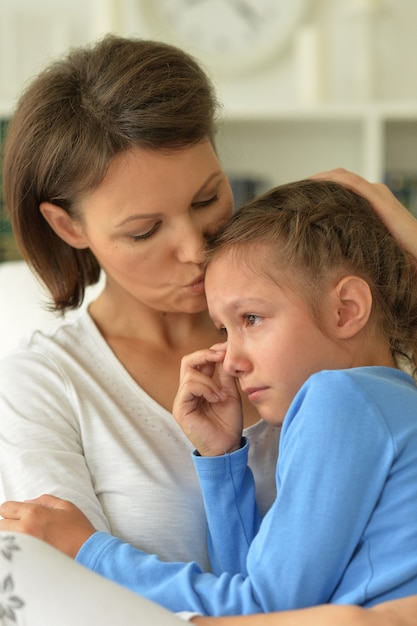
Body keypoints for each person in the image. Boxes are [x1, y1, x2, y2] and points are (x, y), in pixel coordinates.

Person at [0, 28, 416, 624]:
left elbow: (264, 602)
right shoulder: (43, 388)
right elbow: (60, 605)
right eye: (145, 231)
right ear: (68, 228)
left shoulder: (336, 333)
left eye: (206, 199)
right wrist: (221, 464)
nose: (195, 250)